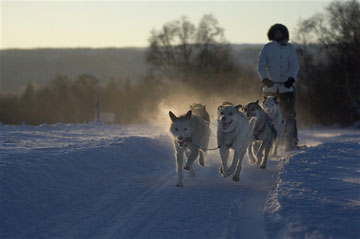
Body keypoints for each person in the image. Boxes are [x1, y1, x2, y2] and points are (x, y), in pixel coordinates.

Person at [257, 23, 300, 151]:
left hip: (286, 88)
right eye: (276, 33)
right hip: (270, 88)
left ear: (285, 34)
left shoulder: (290, 49)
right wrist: (265, 78)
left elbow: (295, 65)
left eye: (281, 33)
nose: (278, 35)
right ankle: (265, 141)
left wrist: (291, 78)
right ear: (272, 34)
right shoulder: (267, 48)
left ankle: (291, 142)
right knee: (267, 116)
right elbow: (260, 64)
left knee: (288, 115)